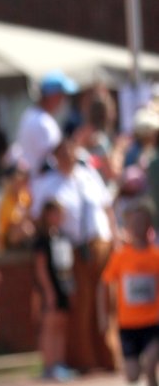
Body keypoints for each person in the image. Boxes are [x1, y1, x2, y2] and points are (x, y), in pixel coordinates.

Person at [30, 132, 117, 373]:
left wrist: (115, 236)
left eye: (71, 151)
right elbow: (38, 217)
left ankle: (109, 357)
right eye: (63, 152)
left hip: (99, 245)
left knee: (105, 302)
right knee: (81, 305)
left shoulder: (89, 175)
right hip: (72, 250)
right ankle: (83, 360)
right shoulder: (47, 183)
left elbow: (107, 207)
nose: (68, 156)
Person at [100, 199, 159, 386]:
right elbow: (103, 284)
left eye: (142, 222)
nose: (137, 227)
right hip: (129, 325)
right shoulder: (120, 256)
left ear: (149, 225)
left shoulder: (156, 256)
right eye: (133, 222)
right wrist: (104, 315)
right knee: (133, 376)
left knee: (151, 365)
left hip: (153, 323)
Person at [32, 197, 76, 382]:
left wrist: (71, 288)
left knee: (61, 327)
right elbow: (40, 268)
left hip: (64, 286)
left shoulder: (64, 237)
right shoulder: (42, 240)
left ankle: (59, 363)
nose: (58, 217)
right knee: (49, 327)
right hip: (50, 289)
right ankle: (49, 366)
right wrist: (48, 291)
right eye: (54, 213)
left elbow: (68, 266)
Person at [12, 73, 75, 177]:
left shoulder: (30, 114)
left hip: (37, 180)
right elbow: (57, 159)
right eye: (61, 95)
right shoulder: (43, 122)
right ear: (53, 96)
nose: (63, 101)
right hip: (44, 182)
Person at [0, 162, 35, 251]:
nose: (19, 184)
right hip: (4, 242)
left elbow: (29, 219)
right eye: (16, 181)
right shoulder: (0, 198)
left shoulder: (26, 197)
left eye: (22, 181)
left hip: (21, 241)